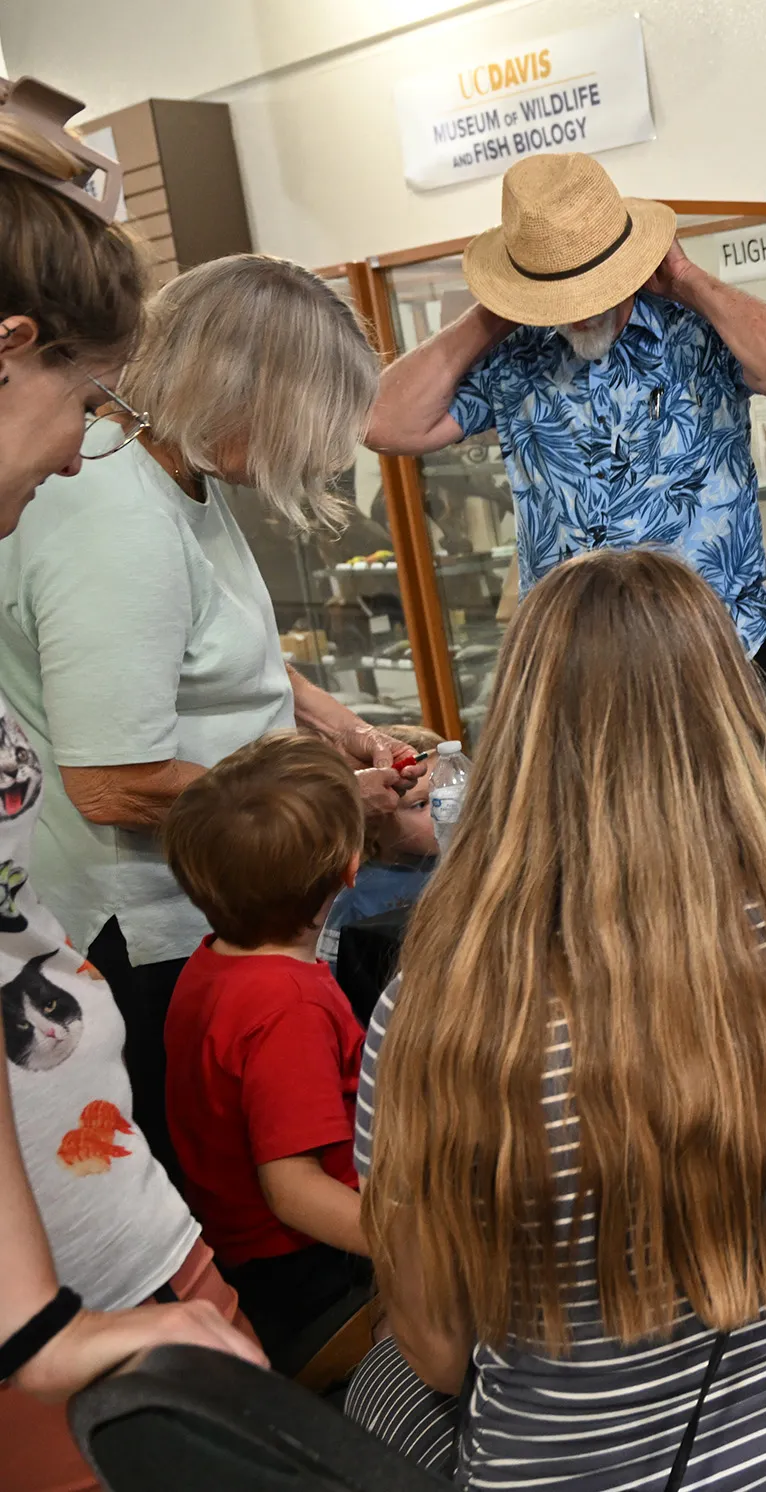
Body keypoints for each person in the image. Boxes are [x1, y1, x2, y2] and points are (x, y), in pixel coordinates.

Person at [345, 549, 766, 1489]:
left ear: (519, 736)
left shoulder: (443, 1006)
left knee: (382, 1388)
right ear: (735, 713)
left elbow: (441, 1352)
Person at [0, 252, 420, 1186]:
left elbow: (212, 649)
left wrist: (334, 723)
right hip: (151, 941)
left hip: (223, 905)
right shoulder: (111, 511)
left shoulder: (179, 474)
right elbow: (113, 780)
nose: (317, 452)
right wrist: (326, 804)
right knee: (248, 1187)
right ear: (244, 393)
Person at [0, 73, 263, 1488]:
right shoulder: (106, 518)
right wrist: (34, 1327)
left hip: (89, 1225)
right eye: (84, 403)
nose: (87, 447)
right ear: (8, 351)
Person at [363, 151, 766, 721]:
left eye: (593, 287)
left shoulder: (700, 333)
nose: (580, 312)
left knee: (745, 810)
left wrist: (687, 279)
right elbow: (382, 422)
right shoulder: (516, 357)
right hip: (578, 670)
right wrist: (497, 312)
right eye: (559, 294)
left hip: (719, 652)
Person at [162, 734, 369, 1360]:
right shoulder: (288, 1005)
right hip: (306, 1270)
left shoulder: (211, 965)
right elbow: (294, 1190)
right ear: (349, 869)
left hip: (243, 1254)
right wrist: (428, 1245)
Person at [316, 724, 440, 965]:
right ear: (372, 822)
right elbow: (338, 977)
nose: (446, 811)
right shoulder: (354, 900)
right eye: (421, 804)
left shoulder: (470, 864)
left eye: (449, 794)